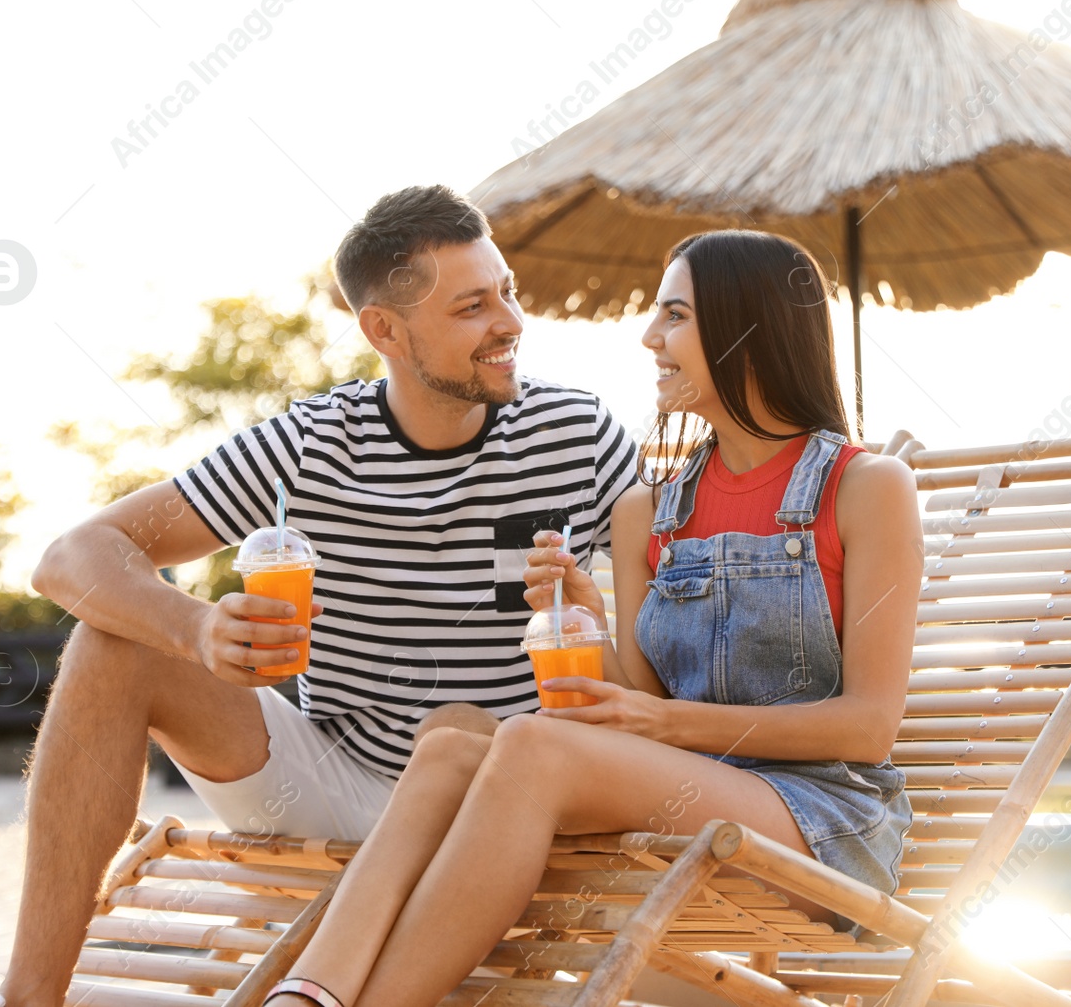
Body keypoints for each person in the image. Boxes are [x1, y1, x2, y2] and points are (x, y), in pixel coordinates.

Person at [0, 185, 638, 1007]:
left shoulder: (578, 435)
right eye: (474, 305)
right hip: (333, 781)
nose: (510, 322)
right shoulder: (309, 444)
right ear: (385, 331)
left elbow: (673, 610)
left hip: (501, 804)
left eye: (507, 291)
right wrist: (199, 629)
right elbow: (70, 556)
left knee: (462, 729)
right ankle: (25, 999)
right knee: (114, 641)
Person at [258, 229, 920, 1007]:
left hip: (819, 820)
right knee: (449, 738)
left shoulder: (867, 487)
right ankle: (304, 994)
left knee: (535, 743)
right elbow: (645, 698)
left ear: (748, 328)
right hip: (695, 791)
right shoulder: (649, 511)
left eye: (674, 316)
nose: (649, 338)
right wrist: (591, 627)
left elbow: (867, 727)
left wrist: (663, 723)